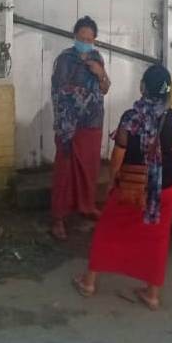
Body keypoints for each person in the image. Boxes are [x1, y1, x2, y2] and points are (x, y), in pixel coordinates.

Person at [73, 65, 172, 311]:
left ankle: (89, 282)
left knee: (108, 230)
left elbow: (118, 157)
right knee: (158, 238)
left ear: (143, 87)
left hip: (132, 187)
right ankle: (152, 295)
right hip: (164, 189)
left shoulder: (130, 117)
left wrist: (113, 181)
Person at [50, 16, 111, 241]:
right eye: (81, 37)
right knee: (64, 171)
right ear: (74, 36)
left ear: (94, 39)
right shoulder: (64, 60)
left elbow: (105, 88)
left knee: (89, 167)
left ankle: (87, 206)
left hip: (92, 122)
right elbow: (59, 92)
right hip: (69, 125)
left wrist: (100, 73)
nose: (84, 41)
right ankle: (58, 217)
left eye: (89, 38)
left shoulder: (97, 58)